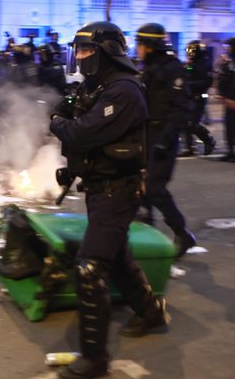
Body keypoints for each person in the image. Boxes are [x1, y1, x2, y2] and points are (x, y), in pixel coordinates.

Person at [50, 21, 169, 379]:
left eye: (87, 51)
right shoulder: (98, 86)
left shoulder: (124, 91)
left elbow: (80, 131)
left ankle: (95, 358)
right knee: (116, 255)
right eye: (79, 51)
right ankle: (150, 312)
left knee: (90, 267)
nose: (81, 57)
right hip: (102, 186)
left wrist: (57, 121)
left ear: (106, 52)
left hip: (118, 189)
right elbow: (70, 112)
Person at [135, 24, 199, 256]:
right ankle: (143, 235)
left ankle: (182, 233)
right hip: (146, 135)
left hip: (163, 137)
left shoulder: (173, 69)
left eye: (140, 44)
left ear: (150, 46)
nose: (137, 49)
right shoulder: (149, 68)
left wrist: (166, 139)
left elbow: (181, 108)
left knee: (154, 188)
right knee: (139, 186)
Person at [181, 40, 216, 157]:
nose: (189, 53)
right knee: (186, 122)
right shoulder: (192, 63)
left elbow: (207, 82)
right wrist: (187, 68)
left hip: (200, 97)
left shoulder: (205, 63)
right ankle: (189, 147)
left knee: (193, 123)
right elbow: (188, 74)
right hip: (189, 96)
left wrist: (190, 85)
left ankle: (208, 140)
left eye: (191, 50)